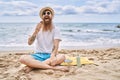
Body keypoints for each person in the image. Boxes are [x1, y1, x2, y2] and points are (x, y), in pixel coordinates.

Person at [19, 7, 68, 72]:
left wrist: (52, 56)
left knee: (62, 57)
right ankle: (54, 68)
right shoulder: (37, 28)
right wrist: (36, 31)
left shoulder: (56, 29)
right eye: (44, 13)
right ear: (42, 17)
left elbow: (56, 46)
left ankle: (33, 67)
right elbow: (29, 43)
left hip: (50, 55)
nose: (46, 14)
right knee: (22, 58)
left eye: (48, 13)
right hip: (37, 55)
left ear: (52, 16)